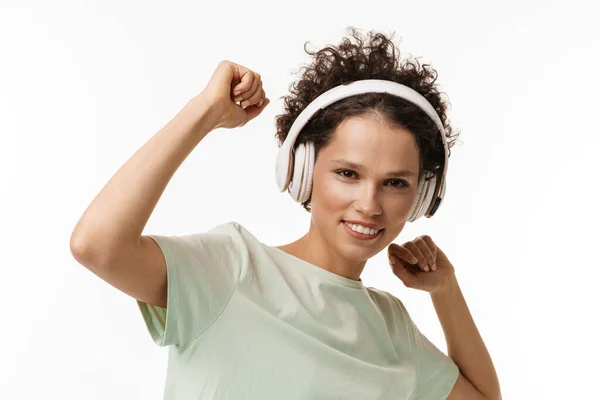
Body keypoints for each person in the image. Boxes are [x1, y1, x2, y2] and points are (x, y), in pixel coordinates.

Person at [70, 28, 501, 400]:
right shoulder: (233, 268)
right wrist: (204, 113)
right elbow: (96, 246)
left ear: (423, 195)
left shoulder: (392, 329)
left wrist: (446, 290)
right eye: (348, 173)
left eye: (395, 182)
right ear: (302, 171)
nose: (369, 204)